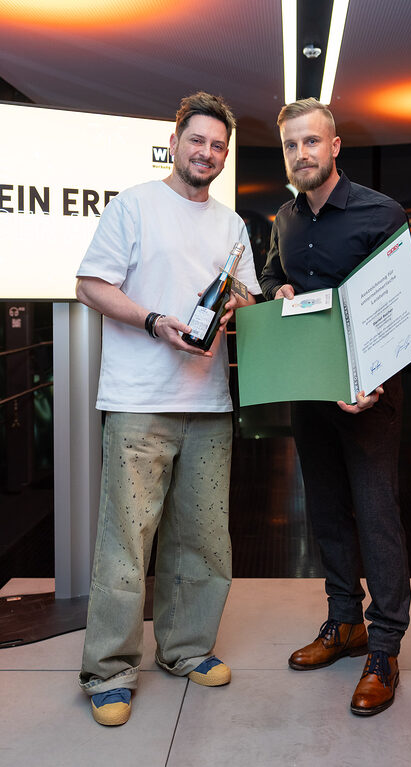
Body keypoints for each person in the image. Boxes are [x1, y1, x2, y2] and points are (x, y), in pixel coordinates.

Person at [76, 91, 260, 726]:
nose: (206, 153)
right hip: (138, 402)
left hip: (208, 403)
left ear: (225, 156)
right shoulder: (133, 205)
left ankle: (185, 650)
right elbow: (90, 285)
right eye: (197, 140)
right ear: (175, 142)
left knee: (203, 539)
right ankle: (108, 670)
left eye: (218, 146)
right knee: (127, 542)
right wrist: (154, 320)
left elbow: (247, 301)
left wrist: (242, 305)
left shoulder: (232, 227)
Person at [259, 98, 411, 717]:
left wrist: (375, 383)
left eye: (311, 142)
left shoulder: (381, 213)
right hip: (310, 387)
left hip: (369, 392)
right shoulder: (284, 219)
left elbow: (400, 306)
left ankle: (384, 647)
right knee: (325, 510)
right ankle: (344, 622)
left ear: (335, 146)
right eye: (292, 145)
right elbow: (269, 276)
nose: (302, 154)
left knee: (376, 516)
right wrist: (278, 287)